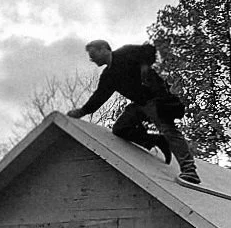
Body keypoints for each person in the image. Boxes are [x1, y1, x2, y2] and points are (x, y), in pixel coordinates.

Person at [67, 40, 201, 184]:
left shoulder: (125, 53)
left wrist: (144, 65)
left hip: (156, 99)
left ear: (104, 49)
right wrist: (81, 112)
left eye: (93, 54)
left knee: (168, 130)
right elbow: (99, 97)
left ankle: (189, 170)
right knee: (120, 128)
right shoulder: (108, 76)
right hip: (140, 104)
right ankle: (157, 140)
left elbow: (149, 49)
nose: (92, 59)